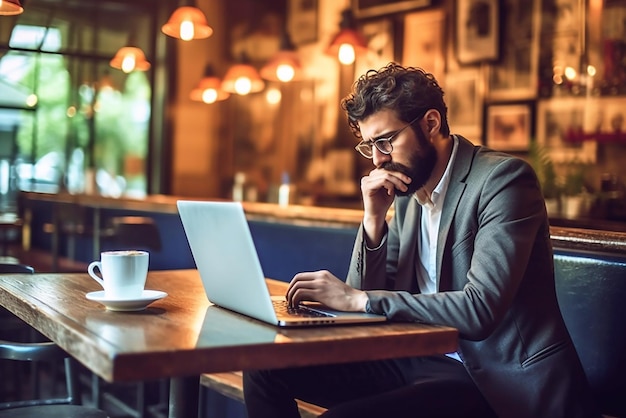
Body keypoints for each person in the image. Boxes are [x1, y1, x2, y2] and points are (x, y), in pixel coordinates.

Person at [243, 63, 599, 418]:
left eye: (386, 141)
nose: (379, 160)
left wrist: (361, 300)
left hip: (491, 380)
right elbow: (359, 304)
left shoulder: (503, 181)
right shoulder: (408, 194)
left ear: (431, 124)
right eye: (370, 146)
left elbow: (479, 310)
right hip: (416, 358)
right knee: (263, 366)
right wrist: (373, 220)